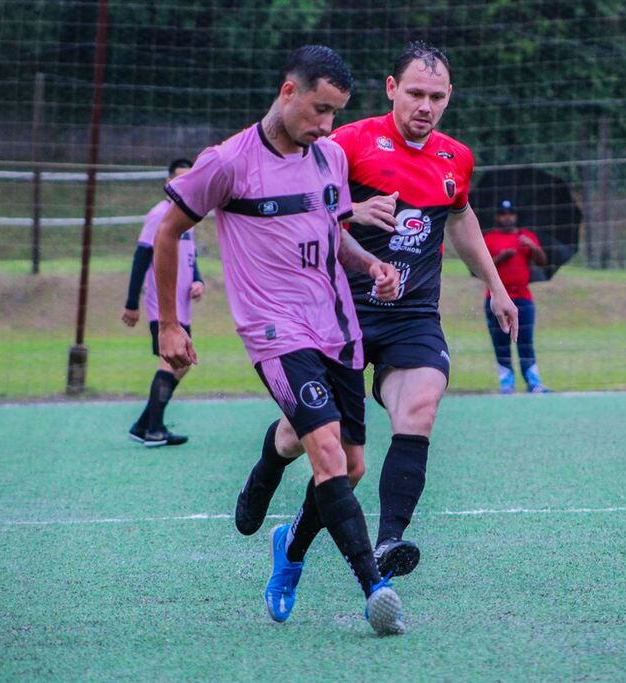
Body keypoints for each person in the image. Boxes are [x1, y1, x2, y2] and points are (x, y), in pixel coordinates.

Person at [234, 41, 519, 589]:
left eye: (436, 97)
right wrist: (353, 210)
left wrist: (496, 287)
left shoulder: (455, 158)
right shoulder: (348, 143)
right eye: (415, 93)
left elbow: (461, 218)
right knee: (313, 443)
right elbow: (301, 207)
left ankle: (384, 541)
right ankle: (269, 465)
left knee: (420, 409)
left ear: (449, 96)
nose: (425, 106)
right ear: (391, 88)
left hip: (413, 314)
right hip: (339, 314)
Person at [153, 45, 406, 636]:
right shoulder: (227, 163)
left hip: (337, 327)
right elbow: (168, 233)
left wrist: (370, 265)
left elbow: (333, 236)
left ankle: (286, 536)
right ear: (288, 91)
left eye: (336, 113)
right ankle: (376, 588)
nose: (327, 125)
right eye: (320, 109)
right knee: (327, 454)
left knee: (351, 466)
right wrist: (169, 322)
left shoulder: (330, 158)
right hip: (274, 332)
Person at [122, 158, 203, 447]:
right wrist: (131, 303)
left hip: (183, 305)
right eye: (178, 178)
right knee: (172, 362)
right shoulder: (159, 214)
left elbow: (190, 257)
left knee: (181, 363)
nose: (183, 184)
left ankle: (143, 425)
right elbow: (141, 258)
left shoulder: (188, 214)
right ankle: (154, 429)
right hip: (163, 304)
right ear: (167, 183)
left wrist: (198, 280)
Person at [482, 199, 551, 394]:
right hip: (496, 299)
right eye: (503, 214)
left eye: (510, 213)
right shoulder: (489, 238)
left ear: (516, 216)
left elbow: (542, 261)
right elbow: (481, 267)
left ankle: (533, 381)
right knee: (500, 341)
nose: (507, 217)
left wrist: (533, 247)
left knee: (525, 340)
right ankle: (506, 383)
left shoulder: (525, 236)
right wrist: (500, 258)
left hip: (523, 298)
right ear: (497, 217)